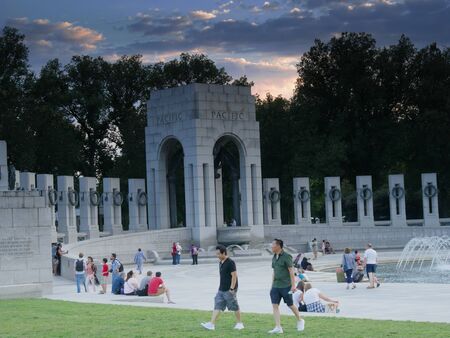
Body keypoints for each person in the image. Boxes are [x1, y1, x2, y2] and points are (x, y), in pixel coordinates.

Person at [201, 245, 244, 331]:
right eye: (216, 254)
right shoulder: (221, 262)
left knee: (234, 306)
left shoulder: (230, 262)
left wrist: (232, 289)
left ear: (224, 253)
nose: (217, 256)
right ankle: (211, 324)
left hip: (230, 289)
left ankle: (239, 323)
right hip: (221, 289)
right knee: (218, 305)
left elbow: (234, 276)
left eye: (218, 254)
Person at [268, 238, 305, 334]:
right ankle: (278, 327)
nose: (271, 246)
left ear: (278, 246)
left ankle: (300, 320)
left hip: (286, 286)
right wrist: (271, 286)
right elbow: (274, 272)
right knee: (275, 305)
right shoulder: (274, 257)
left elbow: (291, 272)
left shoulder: (286, 256)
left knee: (290, 304)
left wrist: (293, 286)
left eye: (273, 245)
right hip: (276, 285)